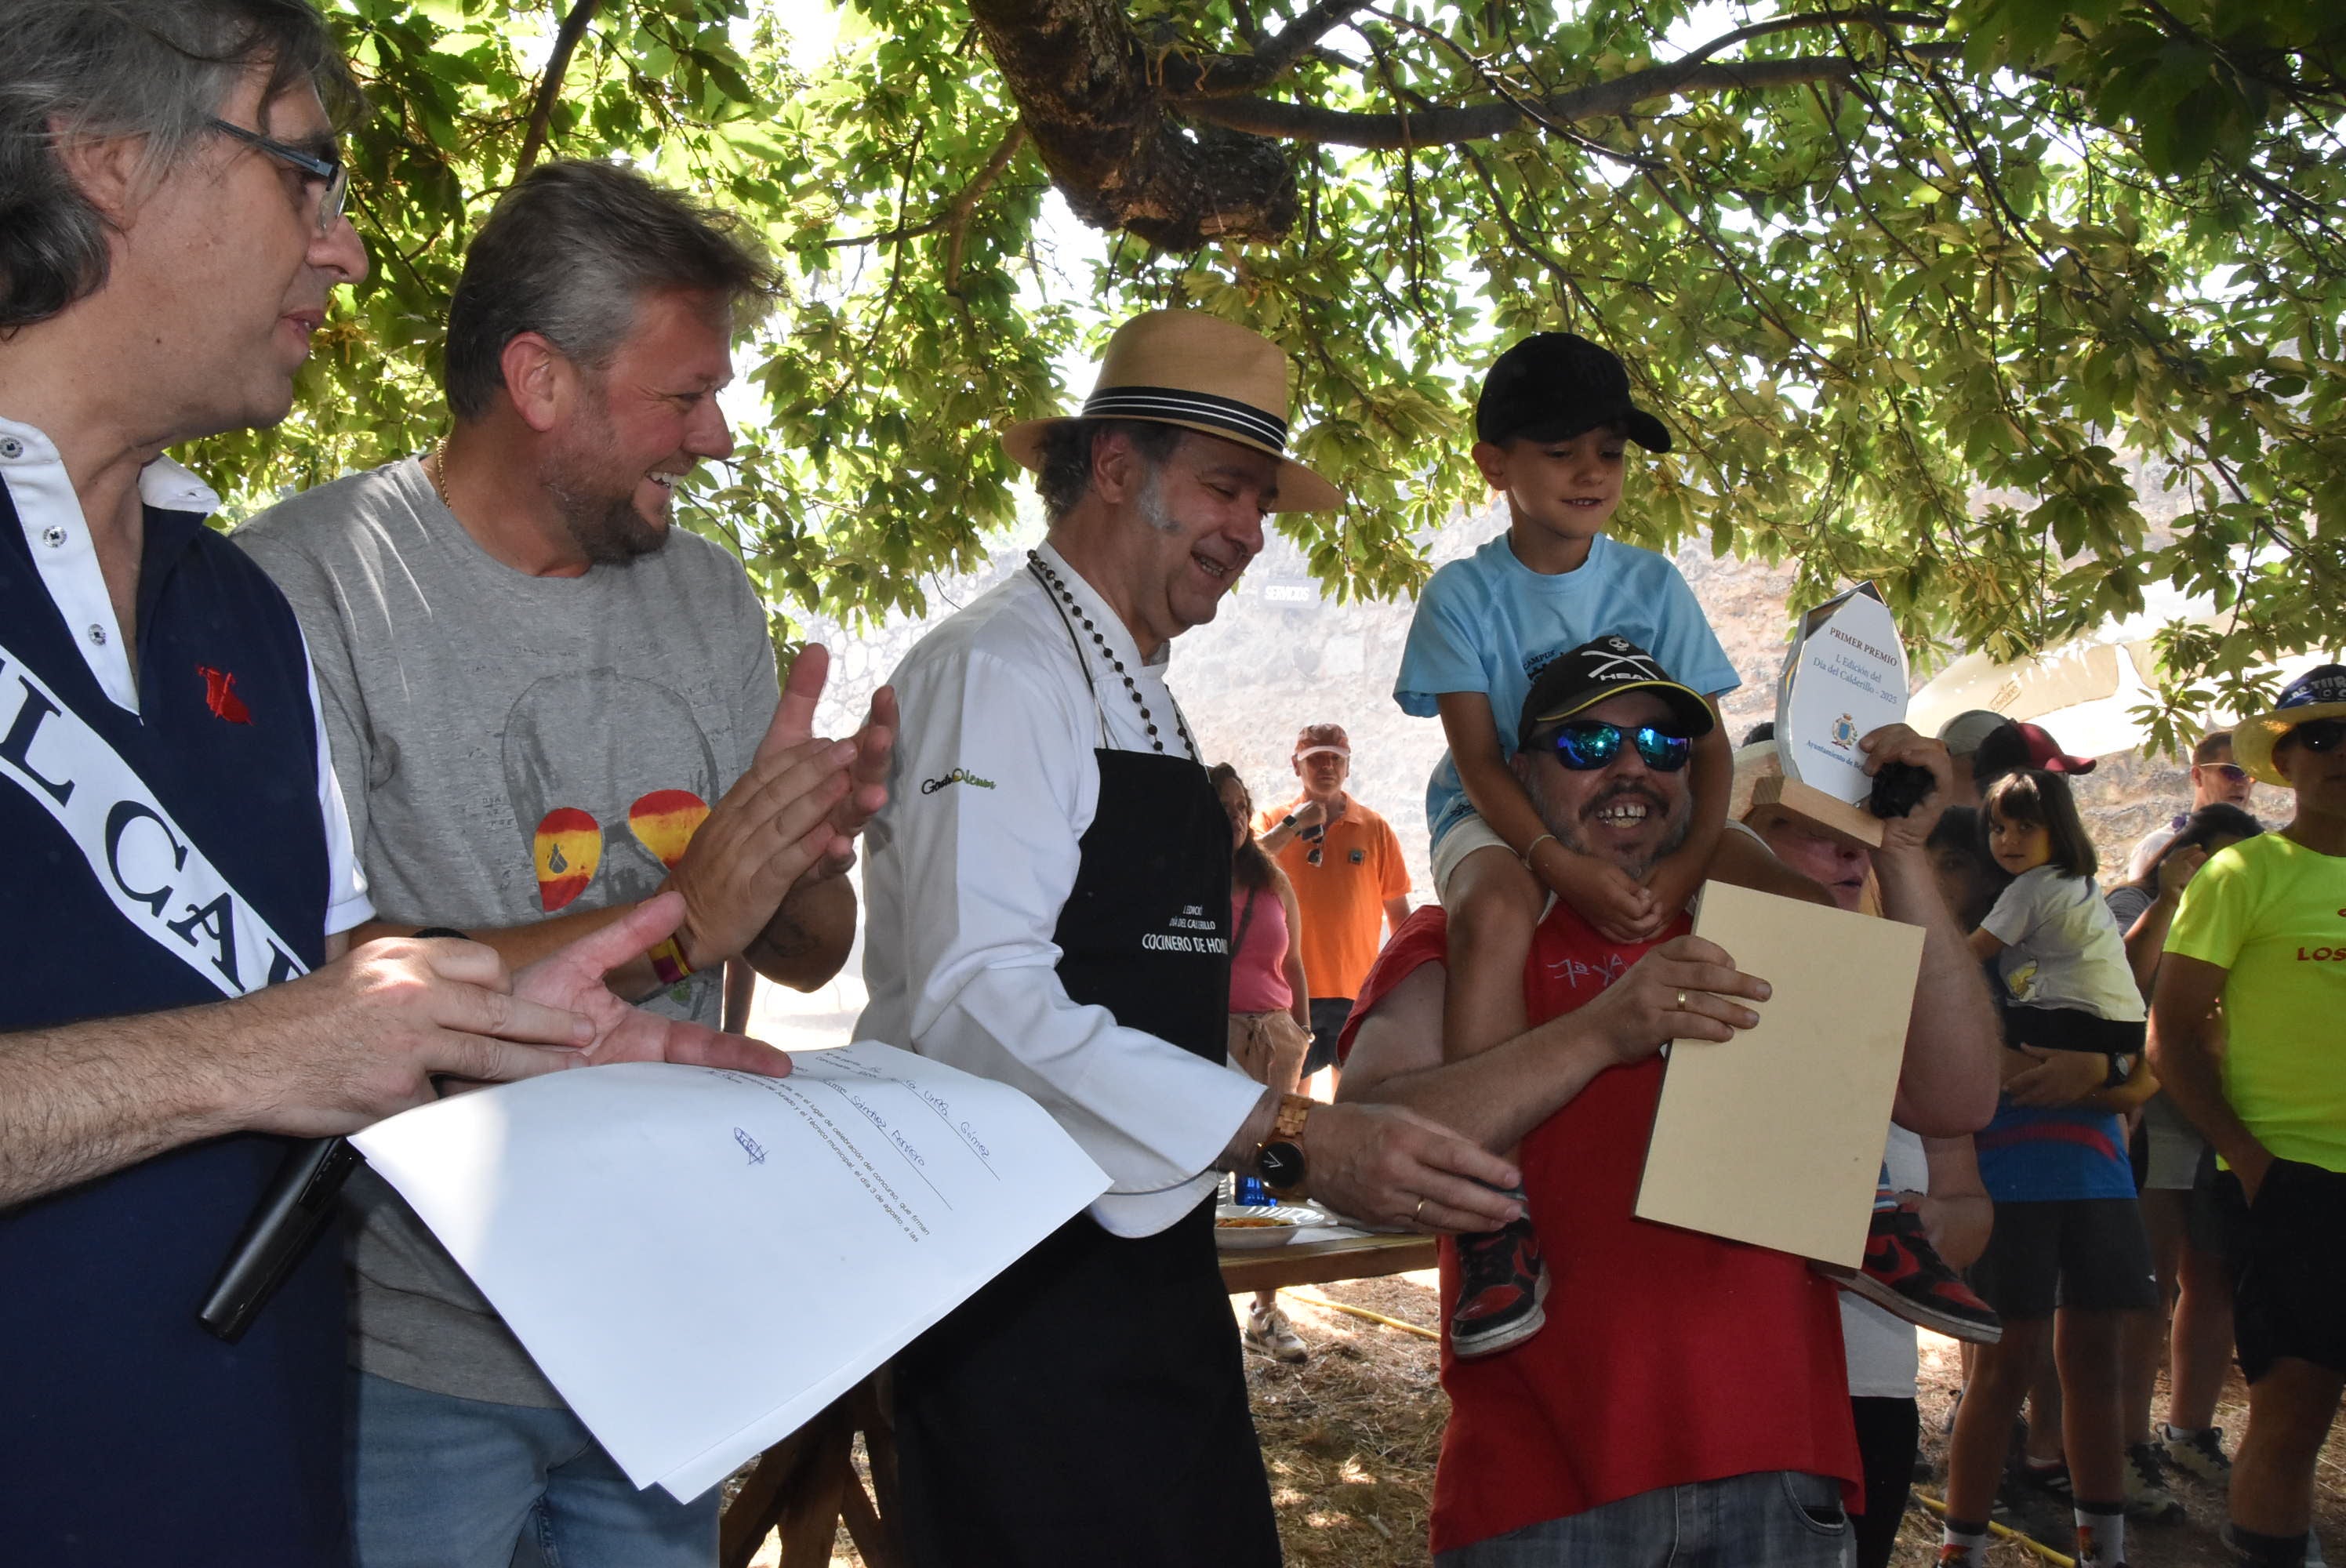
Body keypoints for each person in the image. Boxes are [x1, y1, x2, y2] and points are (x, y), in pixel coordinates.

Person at [0, 6, 771, 1562]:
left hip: (253, 1480)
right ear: (106, 161)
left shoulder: (236, 614)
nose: (345, 251)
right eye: (306, 174)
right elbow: (288, 1039)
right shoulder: (325, 579)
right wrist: (243, 1058)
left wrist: (564, 1004)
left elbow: (354, 996)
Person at [237, 160, 888, 1567]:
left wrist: (800, 848)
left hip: (663, 1349)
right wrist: (683, 910)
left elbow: (805, 950)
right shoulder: (306, 589)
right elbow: (311, 989)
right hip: (407, 1358)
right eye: (681, 395)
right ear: (539, 381)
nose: (717, 438)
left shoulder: (711, 596)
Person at [858, 309, 1523, 1567]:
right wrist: (1288, 1132)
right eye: (1226, 489)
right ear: (1115, 467)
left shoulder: (1142, 691)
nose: (1253, 533)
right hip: (1018, 1282)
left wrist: (1256, 1152)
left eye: (1263, 500)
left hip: (1144, 1260)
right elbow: (976, 997)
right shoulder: (1001, 671)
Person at [1338, 642, 2000, 1565]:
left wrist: (1906, 855)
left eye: (1661, 743)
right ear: (1520, 773)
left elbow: (1957, 1093)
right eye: (1586, 746)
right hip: (1539, 1491)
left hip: (1779, 1476)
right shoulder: (1461, 933)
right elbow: (1361, 1149)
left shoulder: (1763, 915)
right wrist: (1599, 1031)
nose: (1631, 769)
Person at [1393, 332, 1739, 1356]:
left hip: (1649, 811)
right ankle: (1493, 1217)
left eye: (1611, 452)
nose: (1593, 473)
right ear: (1493, 464)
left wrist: (1683, 865)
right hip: (1502, 817)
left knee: (1778, 881)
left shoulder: (1656, 585)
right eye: (1561, 451)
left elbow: (1710, 753)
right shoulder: (1464, 594)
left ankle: (1861, 1174)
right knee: (1494, 911)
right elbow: (1482, 762)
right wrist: (1561, 868)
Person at [1730, 747, 1999, 1568]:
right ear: (1735, 837)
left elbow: (1969, 1208)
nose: (1848, 848)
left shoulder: (1919, 995)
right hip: (1721, 1380)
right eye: (1806, 828)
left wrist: (1923, 1227)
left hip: (1865, 1387)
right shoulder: (1681, 972)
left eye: (1860, 829)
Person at [2151, 665, 2346, 1568]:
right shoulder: (2242, 871)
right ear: (2284, 756)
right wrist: (2252, 1161)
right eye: (2317, 736)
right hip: (2294, 1182)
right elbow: (2171, 1035)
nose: (2337, 753)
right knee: (2291, 1409)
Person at [1942, 768, 2160, 1568]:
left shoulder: (2073, 921)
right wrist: (2094, 1073)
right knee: (2003, 1368)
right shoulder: (1970, 968)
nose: (2002, 849)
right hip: (2014, 1175)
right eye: (1988, 838)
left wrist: (2100, 1073)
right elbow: (2004, 1068)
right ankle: (1959, 1545)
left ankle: (2104, 1546)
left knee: (2092, 1369)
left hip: (2098, 1172)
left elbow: (2140, 1070)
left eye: (2019, 830)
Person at [2105, 804, 2262, 1519]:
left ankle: (2190, 1430)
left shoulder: (2259, 904)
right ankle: (2128, 1444)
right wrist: (2171, 900)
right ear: (2181, 851)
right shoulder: (2133, 904)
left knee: (2213, 1279)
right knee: (2150, 1282)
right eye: (2207, 859)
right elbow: (2120, 993)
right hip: (2158, 1115)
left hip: (2233, 1114)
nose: (2217, 875)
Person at [1211, 761, 1316, 1363]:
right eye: (1222, 808)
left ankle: (1266, 1310)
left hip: (1277, 1038)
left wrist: (1300, 1030)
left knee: (1274, 1168)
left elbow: (1295, 962)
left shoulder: (1273, 879)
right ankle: (1201, 1309)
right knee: (1206, 1172)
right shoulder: (1183, 878)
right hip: (1213, 1039)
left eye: (1240, 809)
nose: (1234, 819)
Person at [1254, 723, 1411, 1092]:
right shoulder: (1274, 821)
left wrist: (1399, 984)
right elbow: (1244, 862)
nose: (1327, 767)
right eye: (1316, 759)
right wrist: (1295, 824)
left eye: (1335, 759)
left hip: (1356, 990)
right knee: (1290, 1099)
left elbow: (1399, 914)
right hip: (1287, 989)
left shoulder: (1375, 828)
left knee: (1354, 1096)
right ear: (1296, 766)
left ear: (1348, 767)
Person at [2126, 730, 2257, 881]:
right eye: (2233, 771)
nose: (2243, 783)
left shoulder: (2261, 847)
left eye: (2251, 774)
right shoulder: (2154, 849)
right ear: (2197, 776)